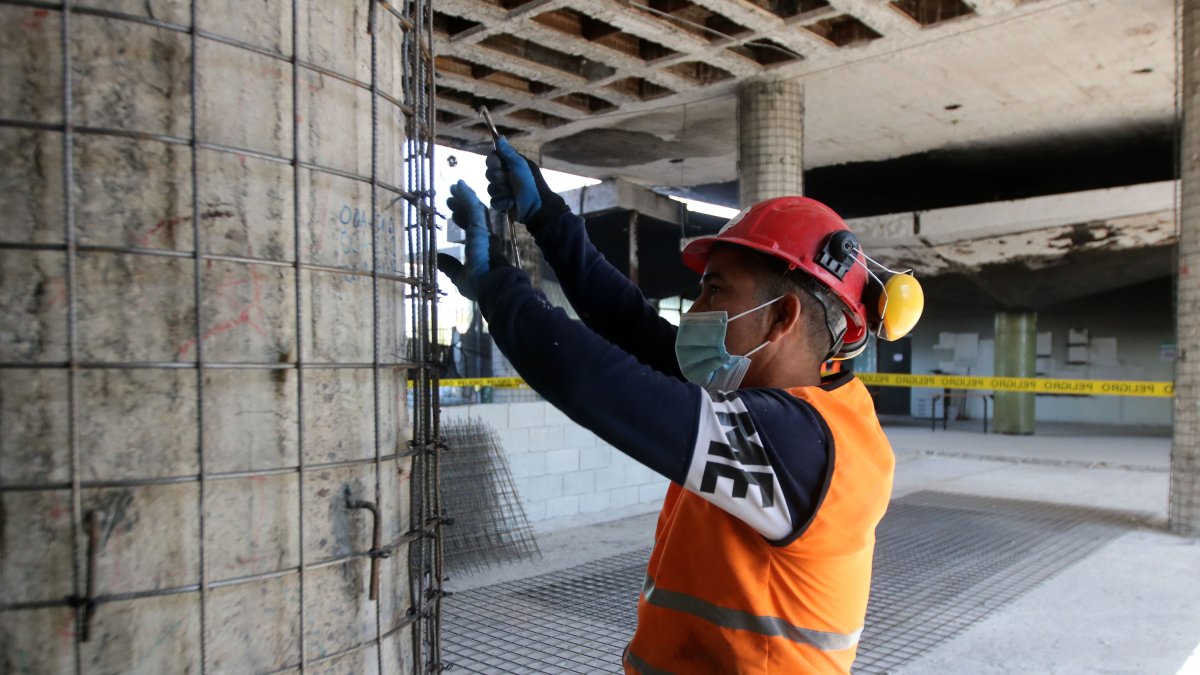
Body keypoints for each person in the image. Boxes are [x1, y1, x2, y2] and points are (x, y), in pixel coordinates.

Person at [437, 138, 919, 674]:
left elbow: (595, 383)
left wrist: (499, 289)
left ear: (781, 317)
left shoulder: (797, 445)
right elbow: (633, 328)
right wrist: (548, 217)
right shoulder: (779, 401)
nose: (696, 311)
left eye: (715, 292)